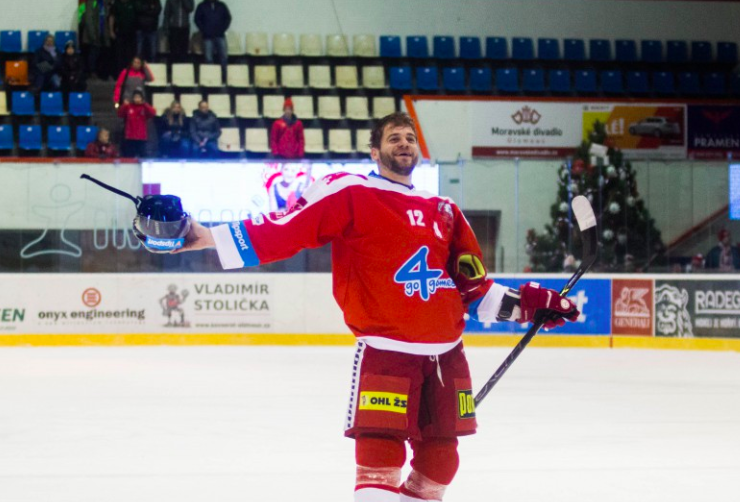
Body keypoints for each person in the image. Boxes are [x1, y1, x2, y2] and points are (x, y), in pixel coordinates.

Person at [173, 112, 580, 502]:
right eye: (393, 138)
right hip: (387, 352)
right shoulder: (351, 192)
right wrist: (207, 236)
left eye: (410, 138)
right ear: (374, 151)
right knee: (380, 457)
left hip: (447, 357)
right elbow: (285, 229)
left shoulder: (445, 210)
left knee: (442, 462)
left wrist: (532, 304)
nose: (404, 144)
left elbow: (476, 292)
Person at [118, 89, 156, 158]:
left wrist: (145, 104)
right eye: (135, 97)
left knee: (143, 157)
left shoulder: (144, 107)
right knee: (130, 156)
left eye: (139, 97)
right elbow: (120, 114)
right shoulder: (129, 107)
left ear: (142, 98)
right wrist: (124, 105)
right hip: (130, 136)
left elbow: (152, 113)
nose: (137, 99)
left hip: (141, 137)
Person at [79, 0, 111, 79]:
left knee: (101, 53)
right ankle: (92, 72)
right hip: (93, 34)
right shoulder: (91, 2)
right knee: (93, 53)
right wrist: (92, 34)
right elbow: (88, 19)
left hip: (102, 33)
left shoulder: (104, 3)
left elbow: (106, 18)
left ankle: (100, 72)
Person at [194, 0, 231, 66]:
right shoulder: (201, 6)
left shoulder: (222, 5)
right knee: (208, 58)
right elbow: (197, 19)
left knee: (224, 57)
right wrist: (204, 30)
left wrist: (222, 29)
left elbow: (228, 18)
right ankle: (210, 73)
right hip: (207, 37)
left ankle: (224, 73)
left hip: (220, 35)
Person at [109, 0, 137, 72]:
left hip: (131, 34)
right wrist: (111, 31)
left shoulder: (133, 3)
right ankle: (120, 73)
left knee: (130, 54)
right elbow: (112, 17)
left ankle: (129, 72)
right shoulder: (116, 4)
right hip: (120, 33)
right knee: (119, 54)